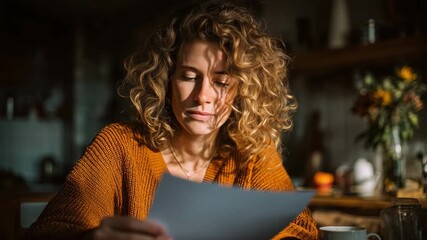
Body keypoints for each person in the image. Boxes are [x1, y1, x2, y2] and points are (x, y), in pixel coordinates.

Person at [23, 2, 318, 240]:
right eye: (189, 77)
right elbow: (48, 232)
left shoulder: (253, 154)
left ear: (243, 90)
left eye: (222, 82)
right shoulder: (119, 146)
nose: (203, 96)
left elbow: (301, 232)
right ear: (166, 81)